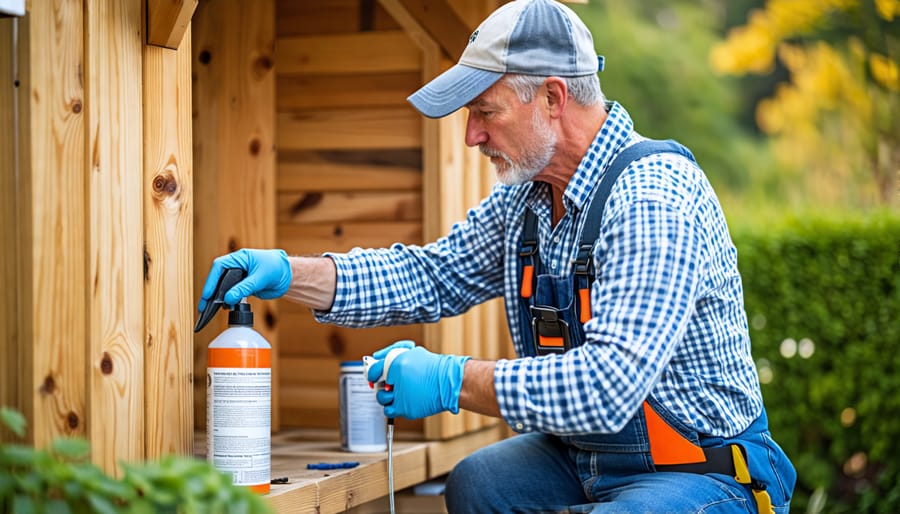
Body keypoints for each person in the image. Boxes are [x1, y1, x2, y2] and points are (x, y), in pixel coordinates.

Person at [198, 0, 796, 512]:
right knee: (481, 484)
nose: (471, 137)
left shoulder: (652, 197)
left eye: (486, 112)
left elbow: (609, 385)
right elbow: (431, 274)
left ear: (554, 97)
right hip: (583, 454)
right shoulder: (526, 201)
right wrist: (288, 273)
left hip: (702, 471)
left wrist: (451, 379)